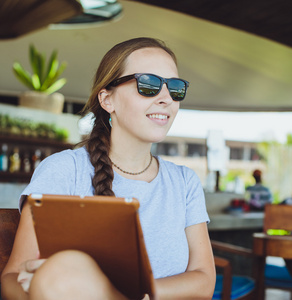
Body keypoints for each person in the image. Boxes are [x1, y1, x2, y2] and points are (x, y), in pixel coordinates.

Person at [1, 37, 216, 300]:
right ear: (107, 99)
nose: (166, 98)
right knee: (61, 272)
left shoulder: (184, 183)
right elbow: (14, 277)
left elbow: (204, 281)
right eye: (148, 84)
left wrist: (130, 294)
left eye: (175, 87)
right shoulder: (64, 171)